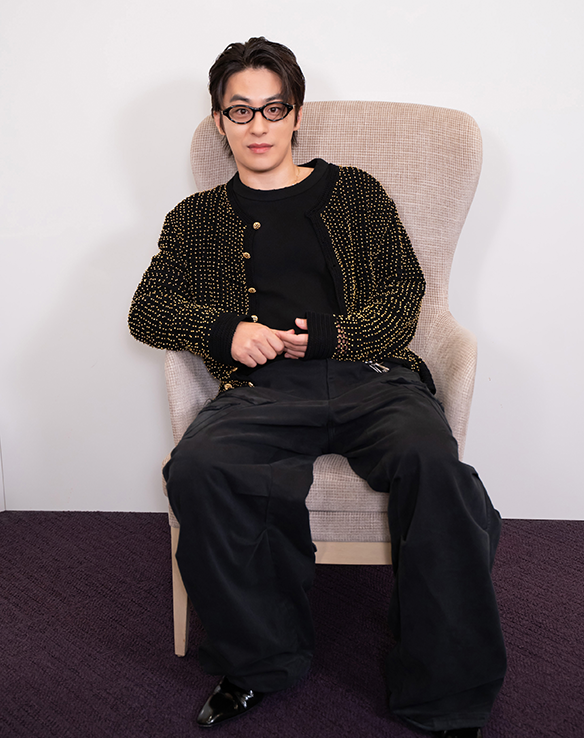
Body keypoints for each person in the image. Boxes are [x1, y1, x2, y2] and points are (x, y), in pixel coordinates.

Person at [129, 37, 505, 737]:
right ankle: (258, 662)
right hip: (262, 392)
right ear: (220, 121)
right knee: (199, 467)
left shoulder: (356, 192)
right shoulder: (196, 219)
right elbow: (147, 311)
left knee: (434, 466)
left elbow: (403, 296)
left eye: (273, 108)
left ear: (296, 114)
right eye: (240, 111)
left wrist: (333, 337)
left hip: (373, 379)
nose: (259, 125)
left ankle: (445, 692)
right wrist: (226, 331)